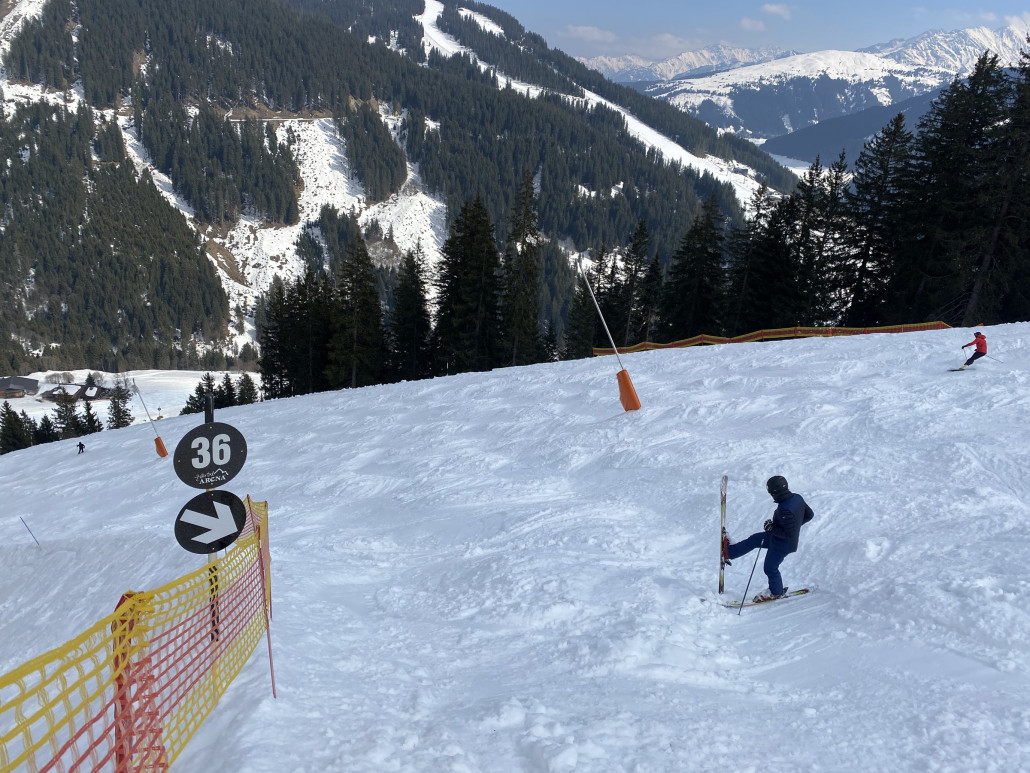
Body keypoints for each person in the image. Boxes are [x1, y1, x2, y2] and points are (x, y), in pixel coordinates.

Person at [722, 476, 814, 601]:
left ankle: (776, 592)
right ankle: (729, 552)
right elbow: (810, 515)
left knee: (770, 568)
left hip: (783, 544)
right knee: (755, 539)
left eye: (770, 492)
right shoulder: (797, 498)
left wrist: (772, 528)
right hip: (777, 538)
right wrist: (789, 526)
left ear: (774, 492)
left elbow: (789, 534)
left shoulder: (784, 509)